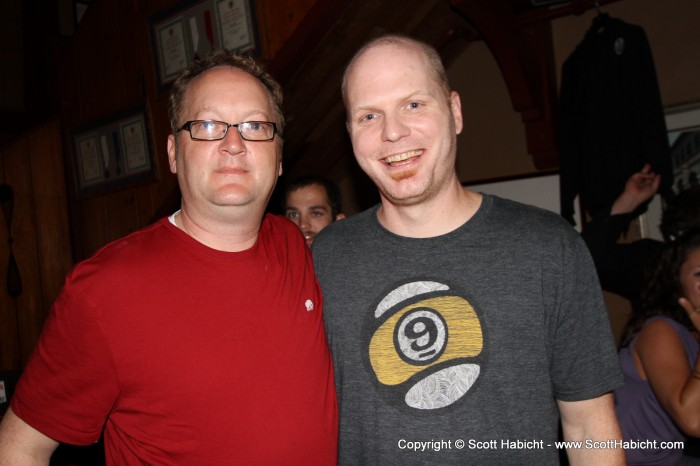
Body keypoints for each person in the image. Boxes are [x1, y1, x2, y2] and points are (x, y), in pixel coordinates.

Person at [0, 49, 338, 465]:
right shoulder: (105, 289)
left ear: (280, 157)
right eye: (208, 125)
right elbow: (18, 450)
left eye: (255, 126)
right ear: (174, 153)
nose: (234, 144)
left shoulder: (295, 245)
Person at [312, 34, 625, 464]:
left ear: (455, 111)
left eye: (414, 104)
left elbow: (590, 424)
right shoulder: (322, 260)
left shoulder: (548, 247)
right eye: (369, 115)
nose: (393, 132)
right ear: (350, 134)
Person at [615, 229, 700, 465]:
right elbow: (694, 421)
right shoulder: (659, 330)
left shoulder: (693, 334)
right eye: (699, 274)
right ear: (676, 284)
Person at [284, 174, 345, 247]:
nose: (303, 225)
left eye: (316, 214)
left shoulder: (358, 256)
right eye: (293, 215)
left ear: (338, 222)